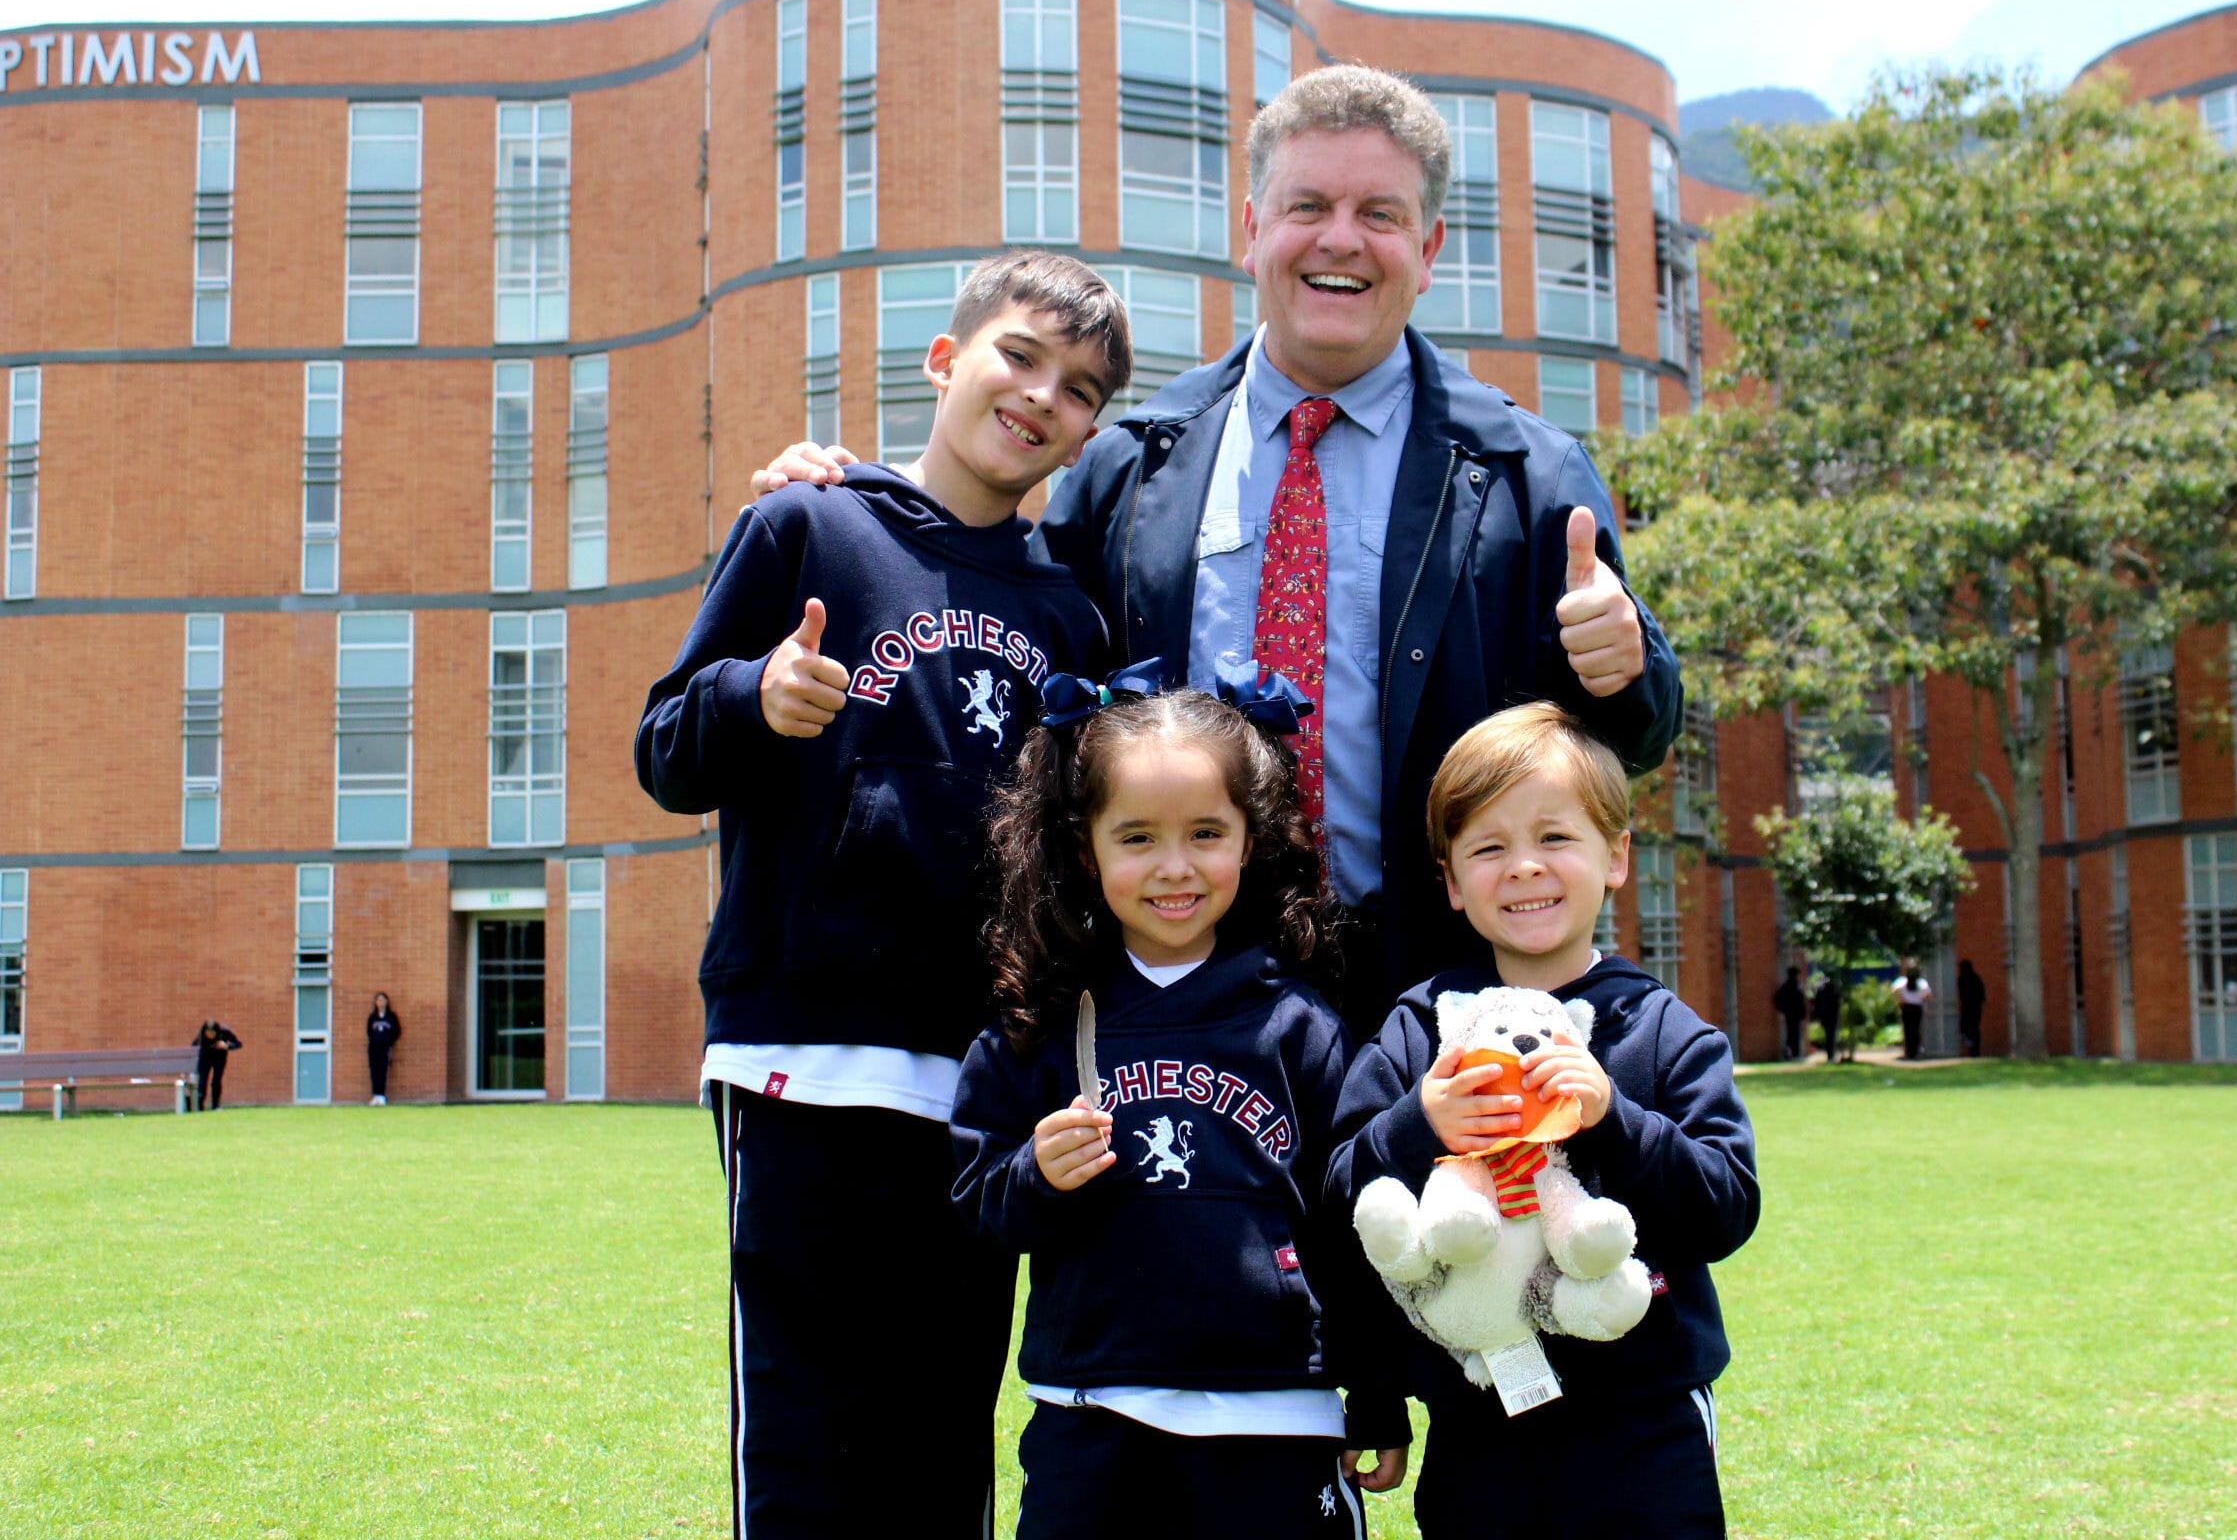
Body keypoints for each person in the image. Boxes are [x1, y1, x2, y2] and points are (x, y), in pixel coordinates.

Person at [749, 64, 1682, 1024]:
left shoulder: (1528, 476)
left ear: (1430, 246)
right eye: (1307, 205)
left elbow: (1627, 742)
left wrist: (1628, 665)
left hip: (1440, 1001)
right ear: (1250, 229)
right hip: (1180, 1001)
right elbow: (1009, 631)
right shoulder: (1132, 465)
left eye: (1380, 214)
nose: (1340, 240)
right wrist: (864, 499)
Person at [634, 252, 1123, 1539]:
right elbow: (665, 751)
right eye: (1021, 355)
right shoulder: (806, 527)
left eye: (1079, 391)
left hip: (979, 1086)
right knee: (806, 1446)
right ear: (946, 358)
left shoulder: (1069, 618)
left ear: (1085, 435)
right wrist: (757, 698)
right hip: (809, 1060)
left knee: (943, 1440)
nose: (1041, 396)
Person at [954, 676, 1407, 1537]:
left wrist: (1377, 1390)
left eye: (1206, 833)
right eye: (1137, 837)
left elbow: (1355, 1224)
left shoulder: (1300, 1026)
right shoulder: (1042, 1025)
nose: (1175, 866)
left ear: (1252, 839)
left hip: (1276, 1419)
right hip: (1092, 1415)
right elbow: (980, 1206)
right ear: (1087, 851)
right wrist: (1036, 1175)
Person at [1327, 702, 1757, 1540]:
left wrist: (1612, 1118)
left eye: (1555, 838)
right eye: (1489, 848)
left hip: (1644, 1419)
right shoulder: (1423, 1029)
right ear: (1451, 881)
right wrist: (1419, 1124)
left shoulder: (1665, 1031)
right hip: (1477, 1415)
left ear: (1616, 856)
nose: (1524, 867)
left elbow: (1725, 1210)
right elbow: (1346, 1204)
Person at [192, 1019, 240, 1110]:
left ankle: (215, 1105)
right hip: (205, 1058)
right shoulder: (201, 1036)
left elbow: (238, 1044)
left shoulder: (224, 1032)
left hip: (219, 1058)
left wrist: (227, 1046)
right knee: (202, 1081)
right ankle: (200, 1106)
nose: (210, 1035)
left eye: (212, 1032)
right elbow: (193, 1046)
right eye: (208, 1033)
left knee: (216, 1081)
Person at [1890, 963, 1931, 1062]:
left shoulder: (1902, 981)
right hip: (1917, 1007)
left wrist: (1900, 999)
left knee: (1908, 1030)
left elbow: (1894, 990)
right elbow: (1928, 994)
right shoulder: (1921, 982)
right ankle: (1916, 1051)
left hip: (1907, 1007)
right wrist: (1922, 997)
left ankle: (1909, 1052)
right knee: (1916, 1030)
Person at [365, 993, 400, 1105]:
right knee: (374, 1070)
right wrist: (374, 1039)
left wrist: (389, 1041)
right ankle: (375, 1095)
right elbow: (369, 1032)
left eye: (383, 1000)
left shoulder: (391, 1016)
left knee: (383, 1070)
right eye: (378, 1000)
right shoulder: (373, 1017)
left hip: (385, 1048)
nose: (381, 1002)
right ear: (376, 1003)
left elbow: (397, 1031)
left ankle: (381, 1095)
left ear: (387, 1002)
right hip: (373, 1047)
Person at [1771, 966, 1807, 1061]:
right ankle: (1793, 1053)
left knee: (1793, 1034)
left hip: (1792, 1014)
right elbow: (1800, 1001)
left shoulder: (1789, 986)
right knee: (1793, 1034)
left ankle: (1792, 1053)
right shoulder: (1791, 986)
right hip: (1793, 1014)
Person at [1955, 958, 1986, 1057]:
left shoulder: (1962, 978)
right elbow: (1982, 994)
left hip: (1968, 1007)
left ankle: (1972, 1047)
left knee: (1965, 1028)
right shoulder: (1976, 978)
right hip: (1976, 1007)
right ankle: (1974, 1050)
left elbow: (1961, 993)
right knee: (1974, 1028)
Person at [1809, 972, 1841, 1065]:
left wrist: (1817, 1015)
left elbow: (1816, 1003)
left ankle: (1830, 1055)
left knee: (1829, 1036)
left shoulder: (1821, 989)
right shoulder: (1834, 988)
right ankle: (1831, 1055)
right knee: (1831, 1036)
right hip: (1831, 1015)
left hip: (1825, 1016)